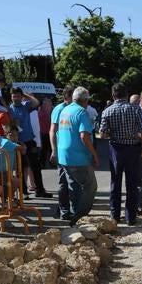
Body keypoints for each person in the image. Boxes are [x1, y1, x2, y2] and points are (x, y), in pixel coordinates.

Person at [100, 82, 142, 225]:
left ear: (113, 95)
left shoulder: (107, 111)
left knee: (115, 183)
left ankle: (115, 216)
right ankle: (130, 217)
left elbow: (103, 134)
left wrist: (113, 133)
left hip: (116, 149)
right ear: (127, 94)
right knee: (132, 184)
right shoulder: (136, 110)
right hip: (132, 149)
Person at [55, 87, 99, 223]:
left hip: (64, 156)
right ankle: (80, 215)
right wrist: (95, 155)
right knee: (90, 185)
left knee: (73, 185)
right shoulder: (81, 112)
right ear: (85, 100)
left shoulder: (65, 110)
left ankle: (75, 214)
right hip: (78, 156)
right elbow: (84, 136)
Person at [9, 87, 51, 198]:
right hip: (18, 143)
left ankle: (40, 190)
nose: (16, 98)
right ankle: (23, 192)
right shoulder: (9, 109)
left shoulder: (25, 106)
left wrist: (25, 95)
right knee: (20, 168)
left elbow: (36, 102)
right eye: (14, 96)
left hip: (29, 140)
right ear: (11, 97)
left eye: (18, 96)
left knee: (36, 167)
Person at [49, 86, 74, 220]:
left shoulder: (73, 109)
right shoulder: (59, 109)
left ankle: (62, 209)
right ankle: (64, 210)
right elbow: (52, 131)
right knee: (64, 181)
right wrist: (54, 150)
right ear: (66, 97)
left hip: (71, 151)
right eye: (72, 96)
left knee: (71, 180)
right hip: (61, 150)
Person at [38, 97, 53, 168]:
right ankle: (42, 164)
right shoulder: (40, 113)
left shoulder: (53, 112)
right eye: (45, 103)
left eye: (49, 103)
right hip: (43, 134)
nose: (47, 105)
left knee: (51, 149)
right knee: (43, 151)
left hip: (51, 133)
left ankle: (52, 164)